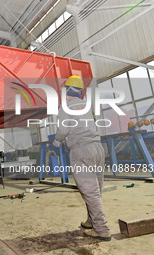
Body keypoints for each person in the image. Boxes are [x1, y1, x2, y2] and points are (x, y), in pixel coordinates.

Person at [53, 75, 111, 241]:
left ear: (67, 90)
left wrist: (56, 143)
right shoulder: (86, 105)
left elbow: (63, 131)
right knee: (95, 190)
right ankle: (91, 221)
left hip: (81, 150)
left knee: (90, 192)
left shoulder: (65, 108)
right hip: (97, 148)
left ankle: (102, 229)